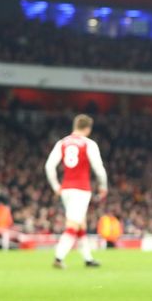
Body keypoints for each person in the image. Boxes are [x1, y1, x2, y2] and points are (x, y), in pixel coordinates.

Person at [45, 114, 108, 269]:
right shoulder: (88, 144)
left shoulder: (62, 143)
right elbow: (98, 168)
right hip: (81, 189)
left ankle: (88, 259)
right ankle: (58, 258)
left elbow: (49, 166)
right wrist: (103, 186)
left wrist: (55, 186)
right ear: (88, 128)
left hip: (66, 188)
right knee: (73, 224)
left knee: (80, 224)